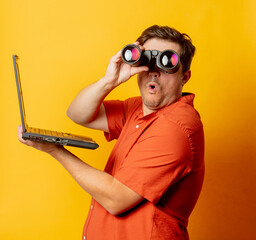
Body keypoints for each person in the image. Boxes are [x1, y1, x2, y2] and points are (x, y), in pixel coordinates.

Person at [18, 25, 204, 240]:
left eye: (167, 63)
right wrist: (110, 81)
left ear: (185, 76)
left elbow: (117, 199)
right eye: (147, 61)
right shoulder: (137, 109)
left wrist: (56, 150)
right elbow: (78, 114)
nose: (154, 71)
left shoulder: (176, 127)